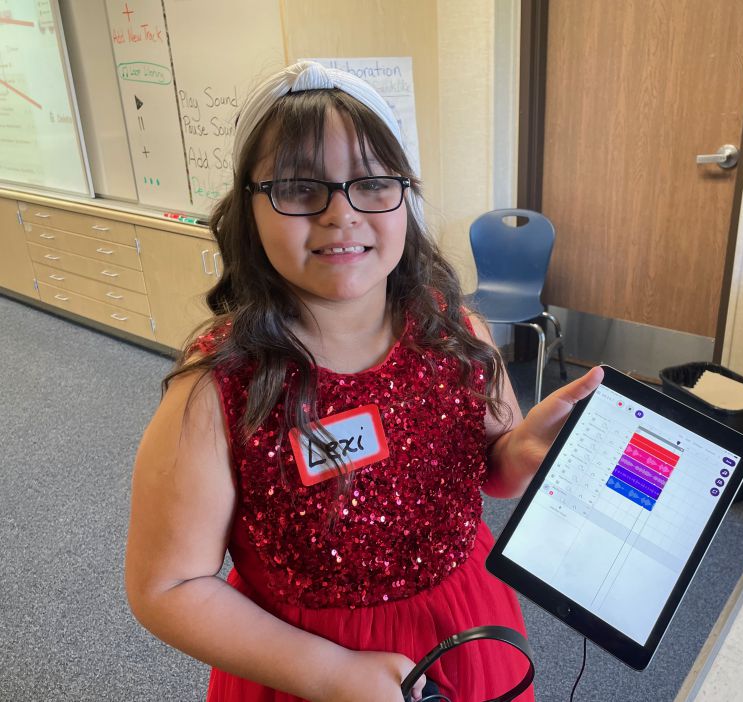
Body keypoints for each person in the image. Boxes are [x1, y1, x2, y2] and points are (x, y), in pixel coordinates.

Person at [124, 61, 603, 702]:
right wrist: (330, 674)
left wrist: (520, 451)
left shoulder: (457, 333)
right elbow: (167, 587)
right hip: (305, 666)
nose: (340, 215)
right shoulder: (218, 390)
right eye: (299, 189)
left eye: (373, 184)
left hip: (465, 628)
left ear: (406, 198)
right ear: (248, 209)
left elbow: (492, 466)